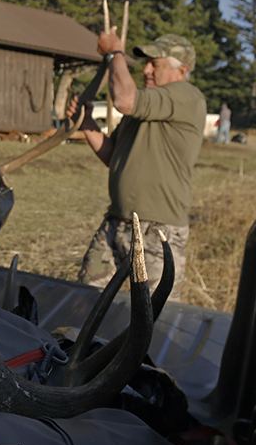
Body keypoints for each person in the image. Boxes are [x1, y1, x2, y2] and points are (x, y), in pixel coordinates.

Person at [68, 32, 206, 301]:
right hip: (116, 224)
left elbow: (124, 100)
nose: (146, 70)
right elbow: (113, 156)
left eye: (155, 64)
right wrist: (87, 124)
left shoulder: (186, 96)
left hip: (158, 233)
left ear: (183, 70)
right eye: (146, 63)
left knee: (153, 322)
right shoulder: (146, 105)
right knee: (83, 304)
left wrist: (115, 53)